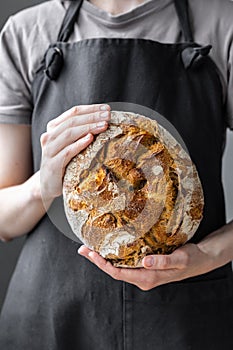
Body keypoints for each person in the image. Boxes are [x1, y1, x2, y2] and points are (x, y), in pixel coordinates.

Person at [0, 0, 233, 349]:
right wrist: (42, 186)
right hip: (52, 319)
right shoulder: (27, 32)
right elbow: (3, 220)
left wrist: (209, 256)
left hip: (183, 318)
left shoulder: (221, 24)